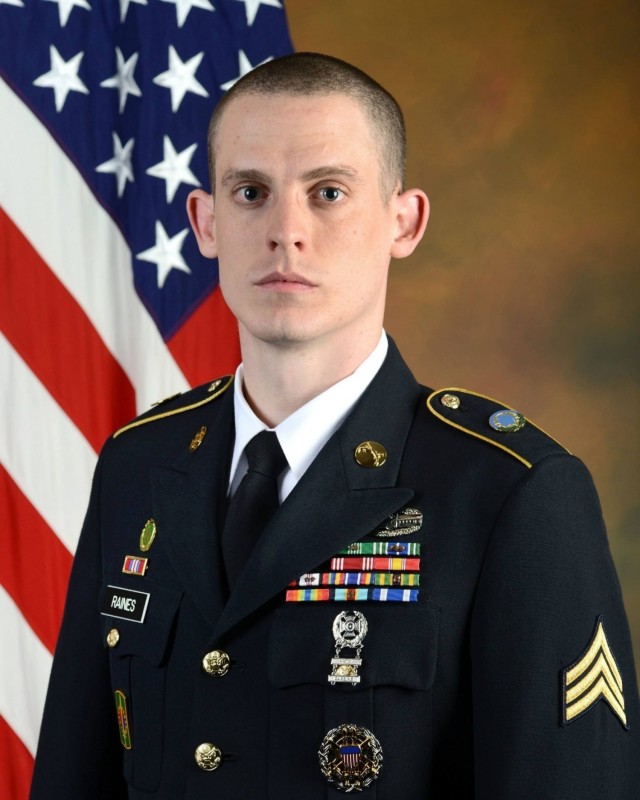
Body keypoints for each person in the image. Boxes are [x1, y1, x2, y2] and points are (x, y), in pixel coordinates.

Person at [30, 52, 639, 799]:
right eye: (250, 192)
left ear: (403, 221)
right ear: (206, 222)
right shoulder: (137, 463)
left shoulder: (511, 493)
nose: (286, 231)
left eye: (328, 192)